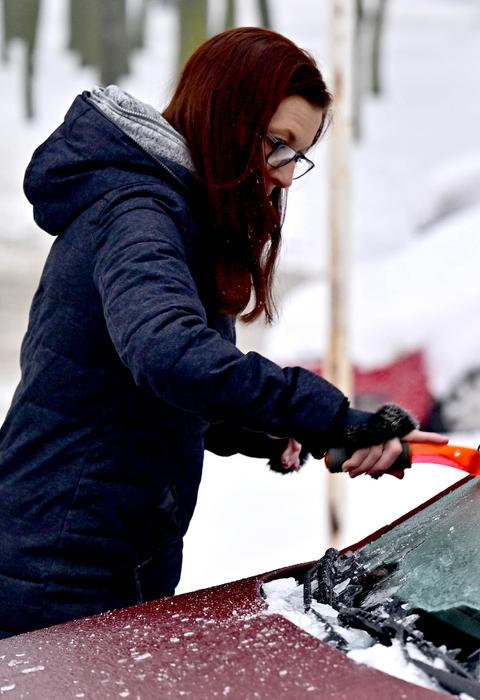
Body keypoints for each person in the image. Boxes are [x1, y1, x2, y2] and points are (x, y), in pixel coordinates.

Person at [0, 27, 444, 639]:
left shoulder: (174, 213)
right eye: (279, 144)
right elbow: (170, 354)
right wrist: (323, 414)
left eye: (299, 154)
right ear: (225, 120)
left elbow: (134, 388)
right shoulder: (137, 213)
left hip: (104, 557)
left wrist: (268, 427)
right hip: (56, 571)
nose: (286, 175)